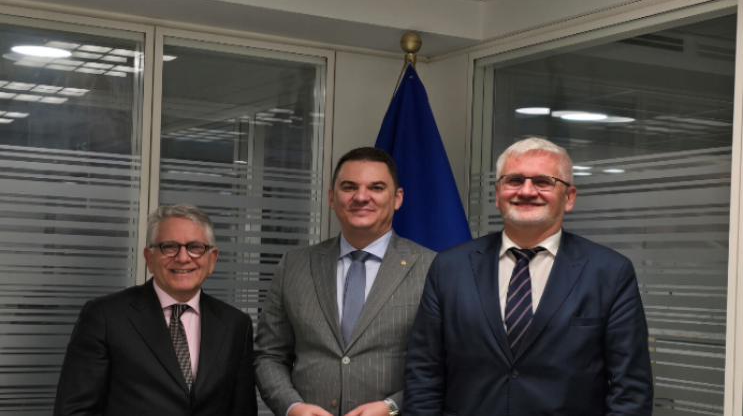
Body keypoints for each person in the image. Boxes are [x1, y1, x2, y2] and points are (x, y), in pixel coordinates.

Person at [404, 137, 653, 416]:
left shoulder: (610, 272)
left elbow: (630, 391)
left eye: (543, 182)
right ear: (497, 193)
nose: (526, 191)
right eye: (514, 180)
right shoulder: (449, 267)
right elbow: (424, 374)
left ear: (569, 197)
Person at [254, 147, 435, 416]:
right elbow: (269, 355)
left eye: (376, 188)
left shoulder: (432, 268)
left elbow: (445, 362)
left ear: (397, 198)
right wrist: (292, 407)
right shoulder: (294, 266)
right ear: (332, 197)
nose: (361, 197)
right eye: (349, 187)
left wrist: (393, 406)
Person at [54, 204, 257, 416]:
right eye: (169, 247)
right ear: (149, 258)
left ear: (212, 259)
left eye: (195, 247)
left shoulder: (236, 325)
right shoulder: (105, 317)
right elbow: (74, 412)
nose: (183, 258)